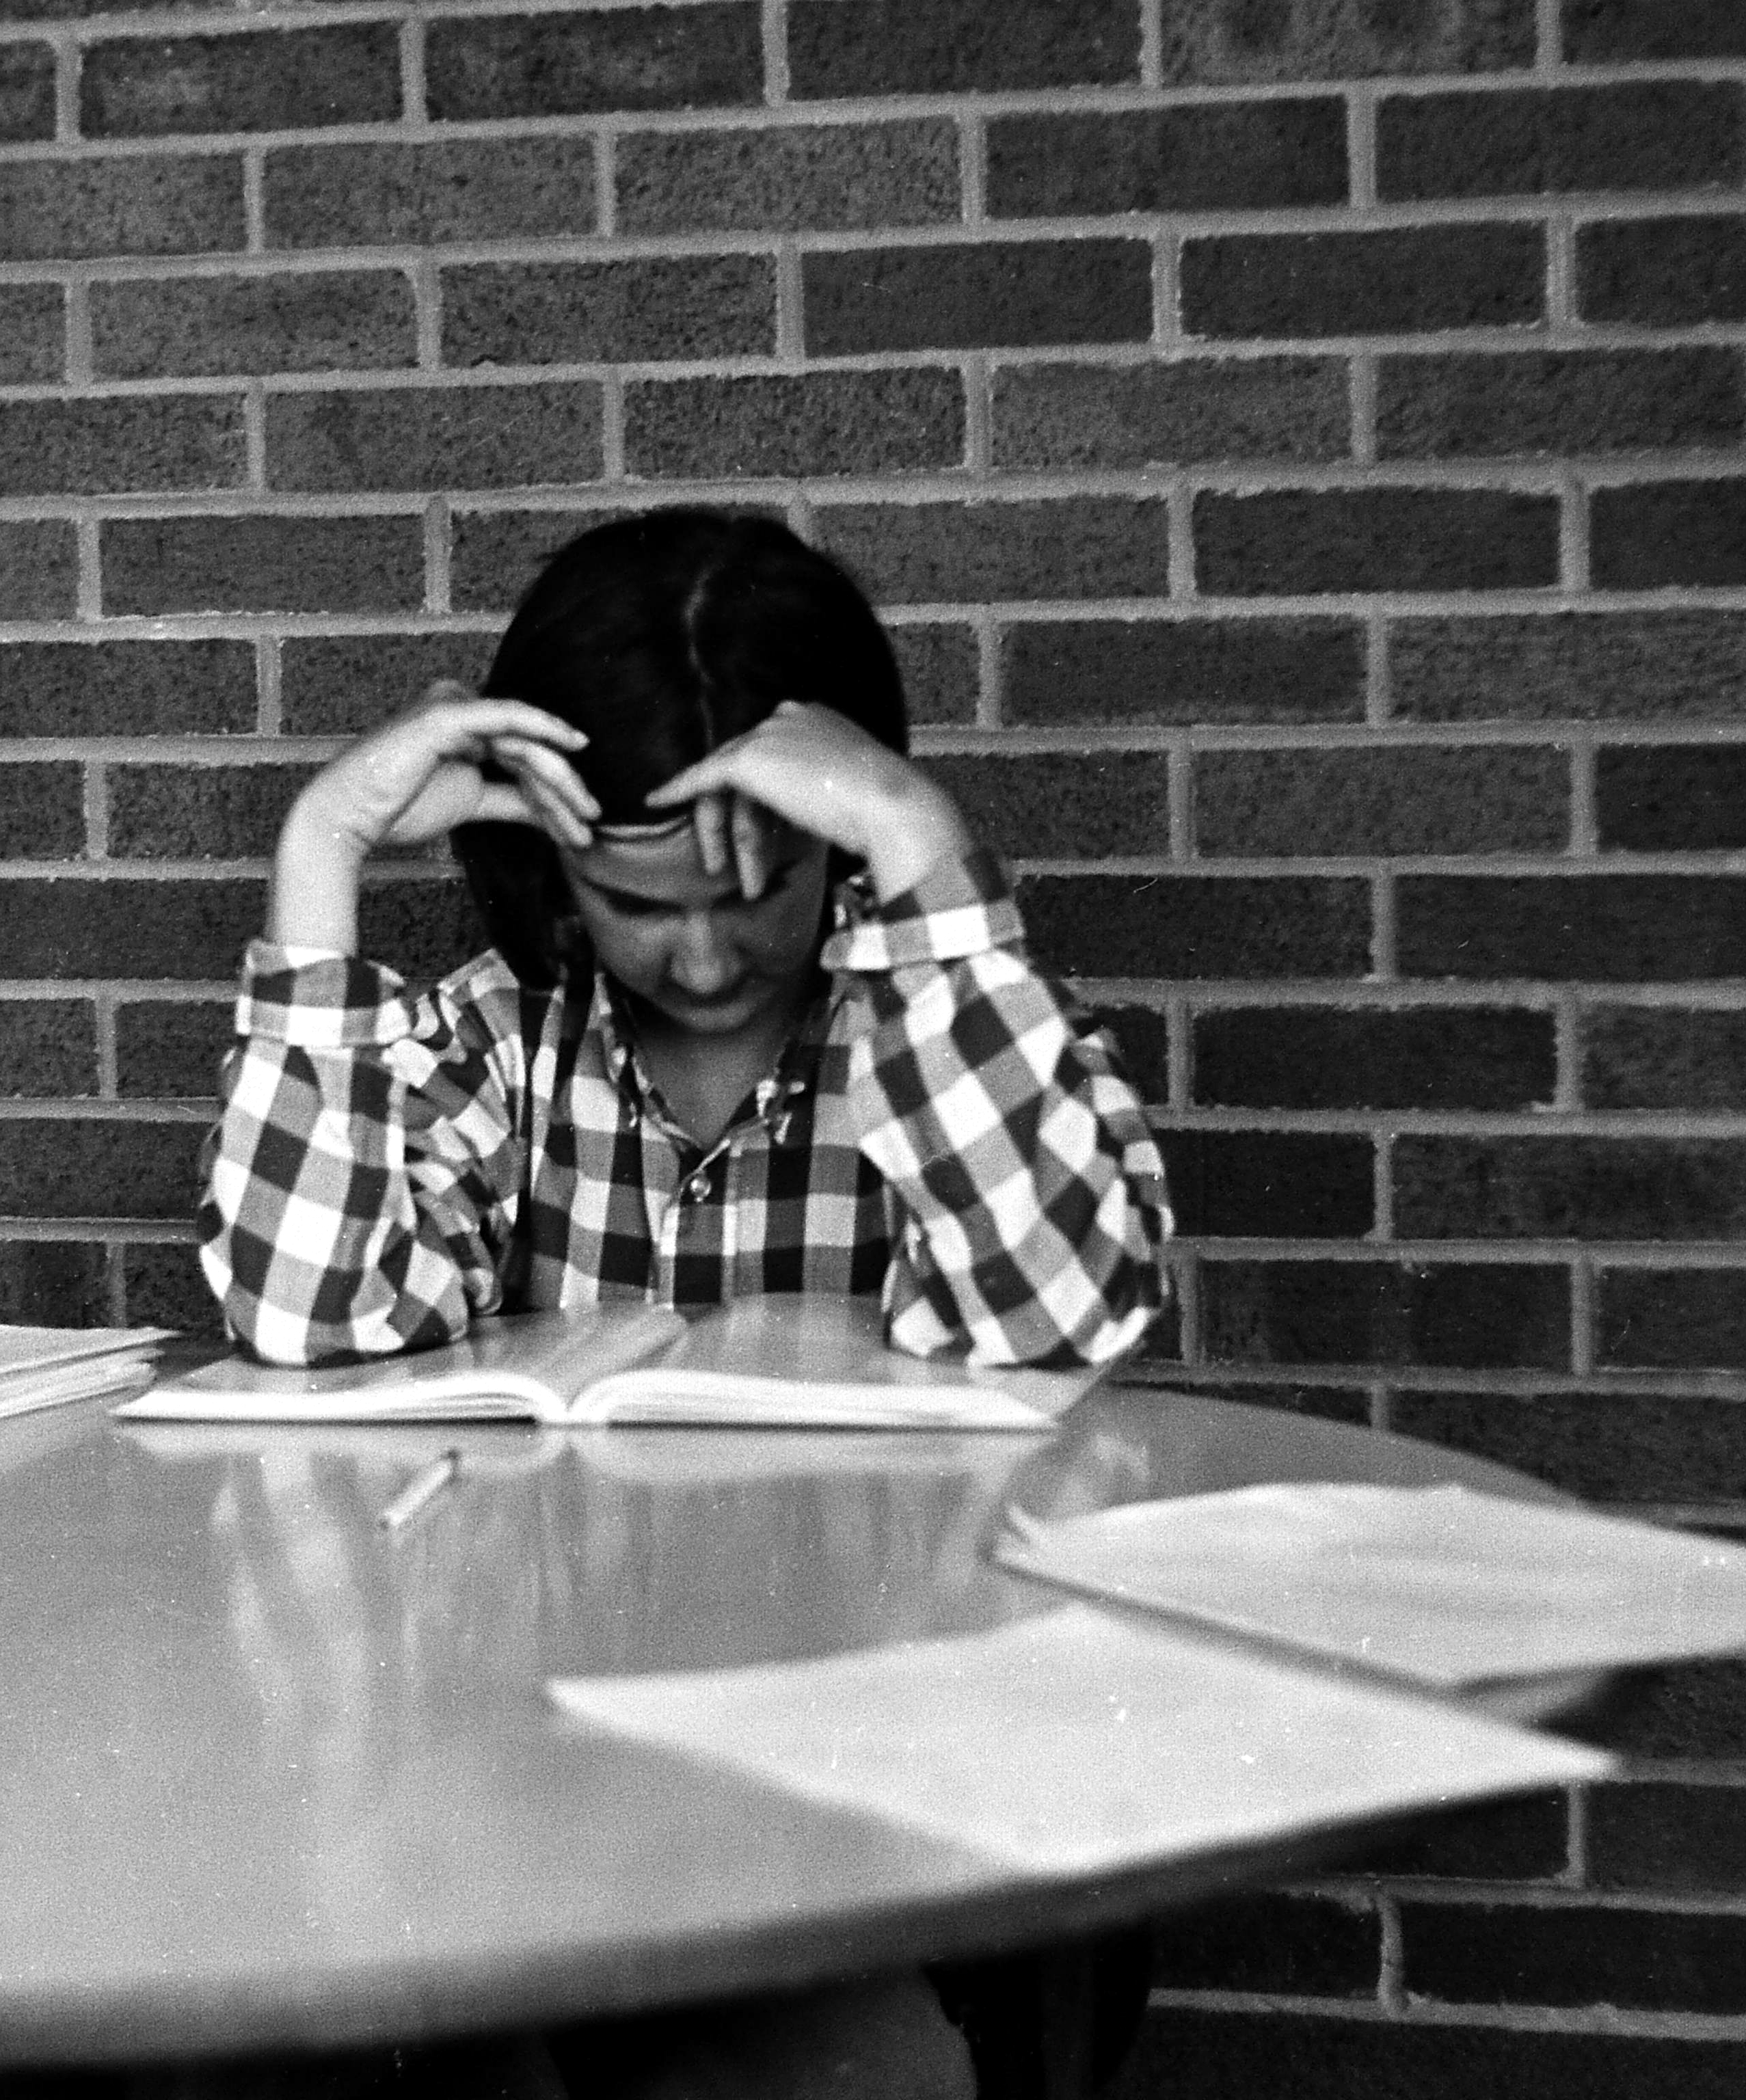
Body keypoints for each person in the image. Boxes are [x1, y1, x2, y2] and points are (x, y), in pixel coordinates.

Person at [196, 508, 1171, 2099]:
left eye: (760, 891)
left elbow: (1054, 1314)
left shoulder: (963, 1029)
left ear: (838, 843)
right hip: (534, 1794)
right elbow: (314, 1321)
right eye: (639, 903)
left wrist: (921, 837)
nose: (706, 957)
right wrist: (323, 851)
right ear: (555, 868)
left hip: (887, 1805)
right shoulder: (498, 1042)